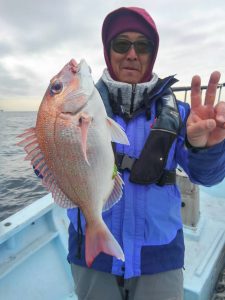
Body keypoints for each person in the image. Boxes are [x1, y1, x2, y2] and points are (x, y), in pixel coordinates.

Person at [67, 7, 225, 300]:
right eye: (121, 44)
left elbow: (208, 177)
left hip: (159, 258)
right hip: (91, 254)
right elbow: (46, 169)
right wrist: (54, 134)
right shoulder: (76, 109)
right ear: (107, 50)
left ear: (152, 54)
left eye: (142, 46)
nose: (131, 54)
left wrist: (207, 148)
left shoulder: (179, 114)